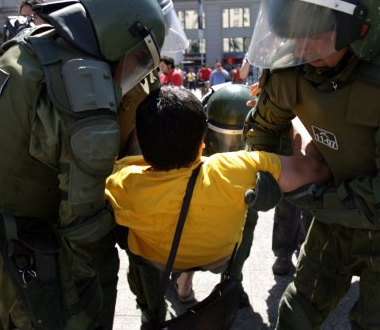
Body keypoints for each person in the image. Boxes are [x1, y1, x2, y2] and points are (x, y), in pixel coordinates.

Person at [0, 0, 189, 329]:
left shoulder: (35, 46)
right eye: (140, 58)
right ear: (118, 39)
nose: (142, 70)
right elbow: (82, 226)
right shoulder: (83, 89)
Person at [242, 0, 380, 328]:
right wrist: (268, 171)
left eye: (312, 31)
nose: (299, 45)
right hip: (336, 210)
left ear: (358, 24)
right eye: (291, 29)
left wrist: (305, 193)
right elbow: (263, 127)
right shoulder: (294, 64)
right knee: (295, 316)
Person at [105, 85, 331, 327]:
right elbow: (316, 168)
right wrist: (292, 118)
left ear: (145, 150)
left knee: (131, 245)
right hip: (220, 258)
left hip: (158, 261)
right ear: (204, 143)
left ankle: (153, 309)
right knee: (249, 209)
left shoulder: (121, 181)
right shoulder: (236, 169)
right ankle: (233, 277)